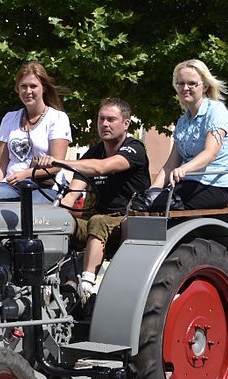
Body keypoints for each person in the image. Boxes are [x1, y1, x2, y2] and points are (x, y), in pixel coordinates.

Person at [35, 98, 150, 299]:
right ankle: (46, 281)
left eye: (111, 119)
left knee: (98, 222)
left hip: (126, 219)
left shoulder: (134, 149)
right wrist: (58, 213)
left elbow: (102, 167)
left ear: (126, 123)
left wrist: (56, 161)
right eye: (101, 119)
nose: (104, 124)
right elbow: (75, 187)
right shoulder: (96, 151)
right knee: (61, 222)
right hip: (97, 215)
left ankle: (86, 288)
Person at [132, 59, 228, 212]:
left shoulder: (216, 111)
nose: (185, 88)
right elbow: (170, 165)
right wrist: (152, 191)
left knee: (158, 204)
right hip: (187, 184)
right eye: (180, 83)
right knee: (142, 201)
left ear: (205, 86)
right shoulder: (182, 121)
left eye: (192, 83)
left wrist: (184, 169)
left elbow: (210, 153)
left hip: (214, 186)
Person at [0, 61, 72, 204]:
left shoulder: (57, 118)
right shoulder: (9, 118)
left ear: (44, 88)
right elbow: (1, 164)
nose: (28, 91)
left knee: (28, 214)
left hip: (44, 186)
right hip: (10, 184)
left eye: (33, 86)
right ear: (17, 89)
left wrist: (25, 174)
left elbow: (57, 165)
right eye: (23, 86)